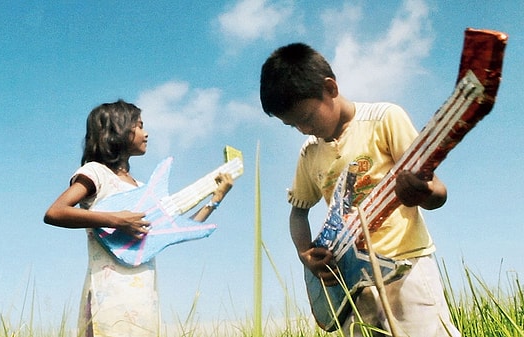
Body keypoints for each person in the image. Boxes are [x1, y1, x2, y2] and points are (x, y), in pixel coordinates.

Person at [259, 43, 460, 337]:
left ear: (330, 88)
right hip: (351, 285)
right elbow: (298, 213)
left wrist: (424, 193)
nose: (303, 129)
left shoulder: (384, 119)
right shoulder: (309, 153)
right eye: (293, 126)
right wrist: (305, 253)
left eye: (307, 118)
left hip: (406, 265)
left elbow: (436, 190)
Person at [44, 99, 234, 337]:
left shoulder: (142, 188)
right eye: (139, 125)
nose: (146, 133)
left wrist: (215, 198)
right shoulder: (95, 172)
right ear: (117, 130)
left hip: (144, 291)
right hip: (109, 290)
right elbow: (55, 211)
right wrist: (116, 220)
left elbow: (174, 230)